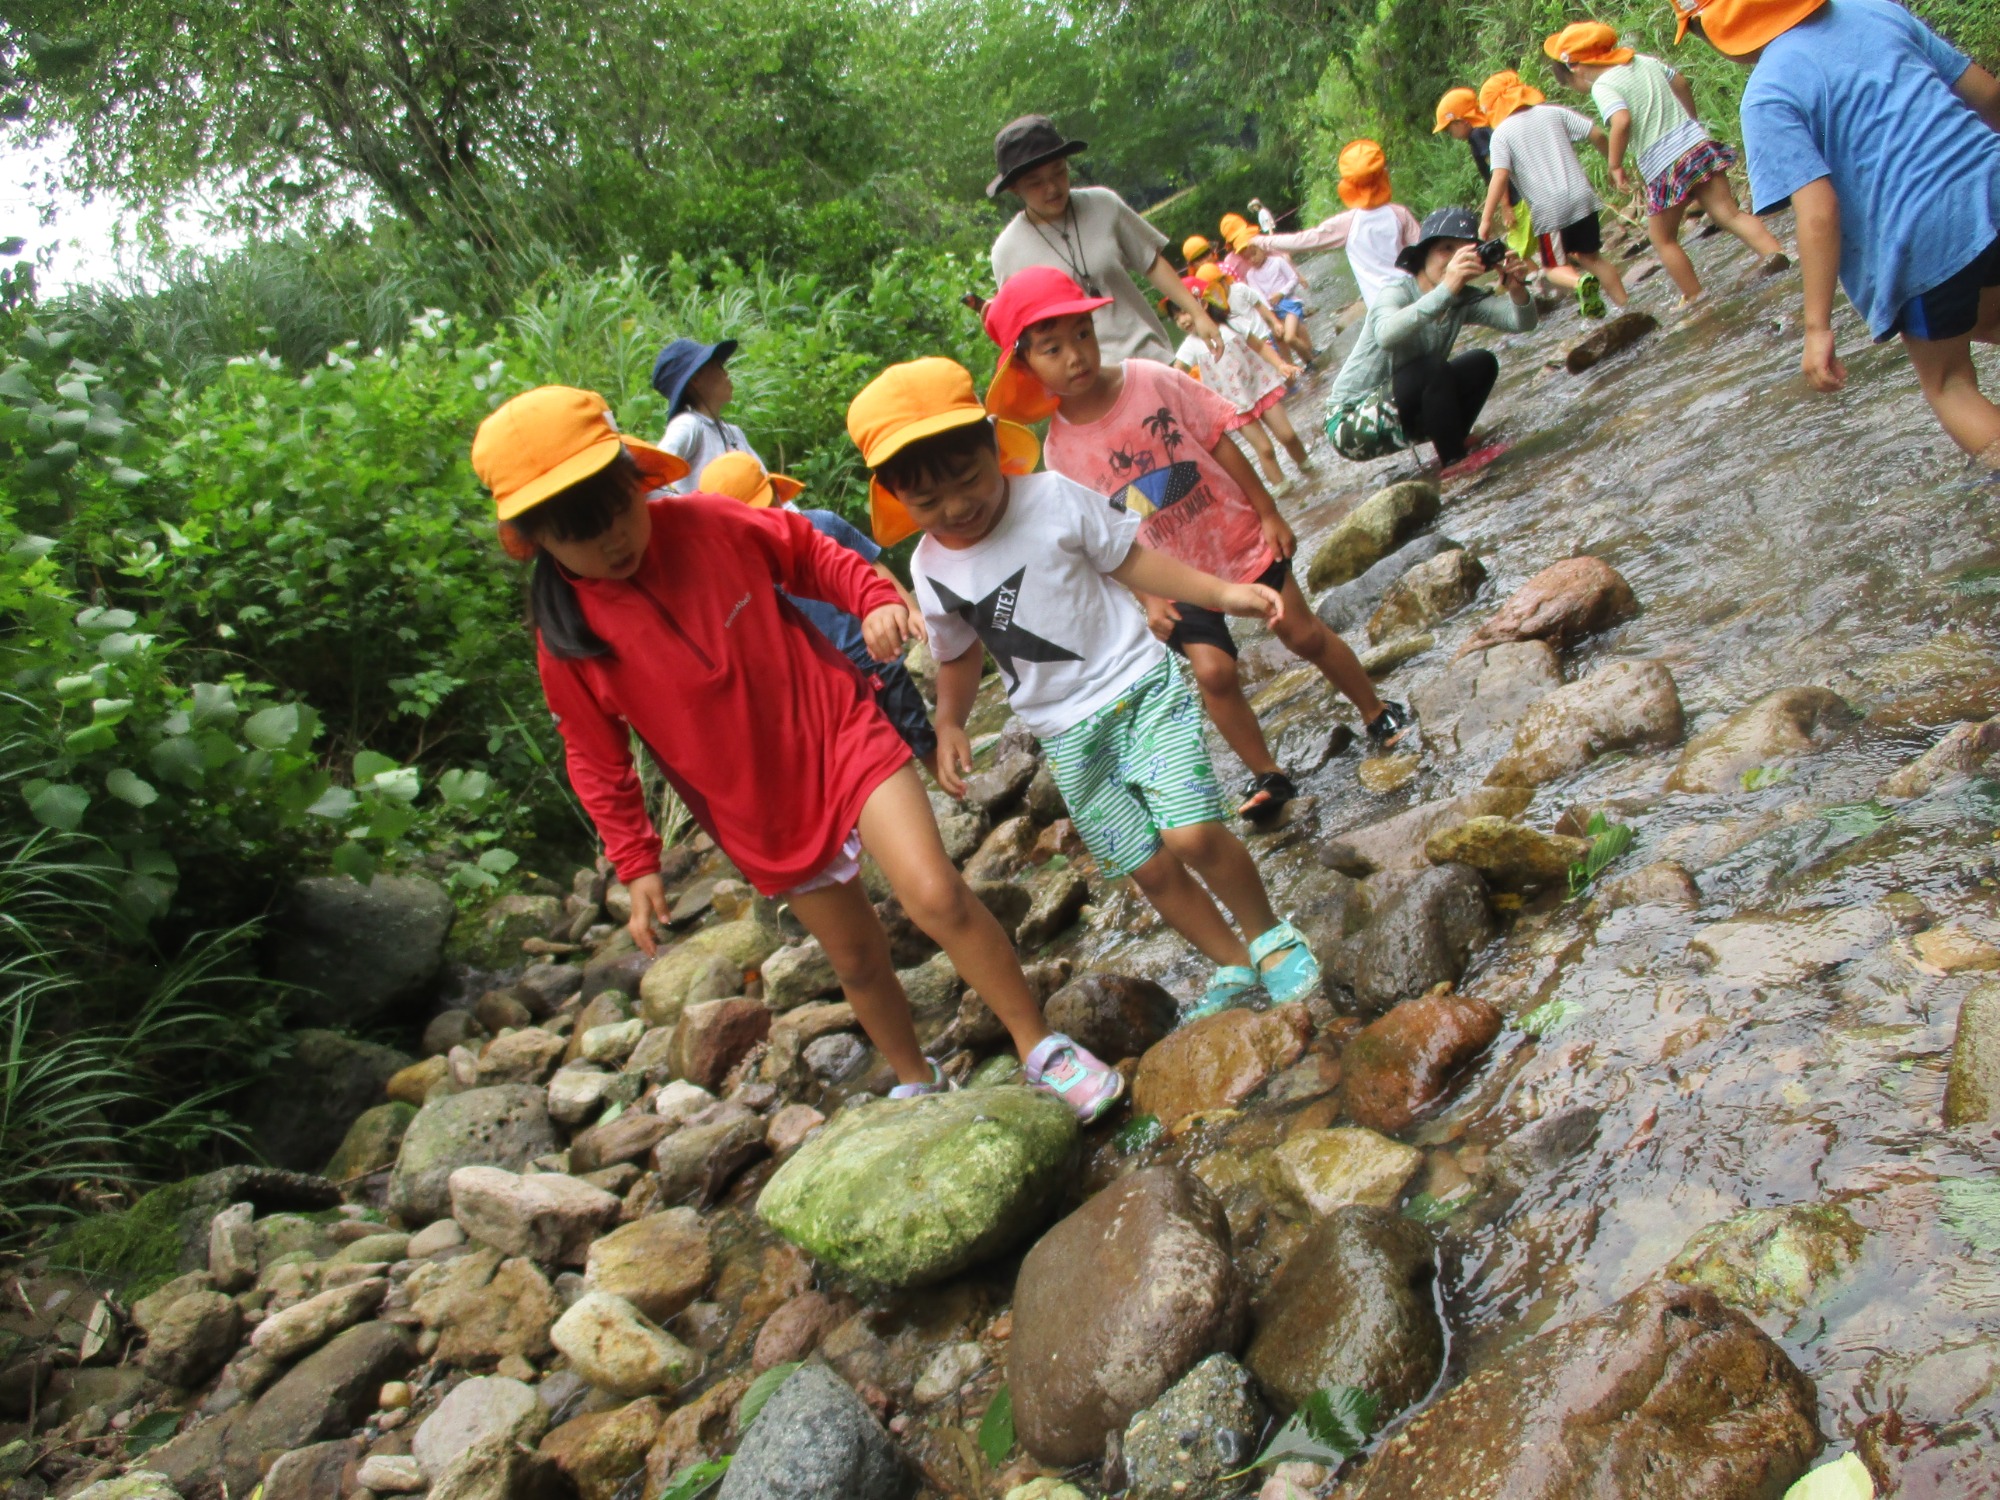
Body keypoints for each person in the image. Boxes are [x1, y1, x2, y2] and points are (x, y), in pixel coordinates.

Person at [475, 384, 1124, 1119]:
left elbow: (812, 554)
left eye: (619, 514)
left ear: (638, 482)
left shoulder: (708, 523)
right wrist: (637, 861)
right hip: (756, 805)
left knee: (935, 893)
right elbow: (596, 757)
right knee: (854, 957)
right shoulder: (568, 641)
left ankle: (1040, 1045)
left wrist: (873, 597)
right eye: (581, 537)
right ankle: (916, 1079)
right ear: (539, 542)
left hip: (838, 729)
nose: (615, 542)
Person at [853, 356, 1324, 1019]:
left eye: (968, 480)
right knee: (1148, 865)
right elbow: (956, 654)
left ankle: (1267, 932)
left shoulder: (1051, 498)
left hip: (1138, 686)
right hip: (1065, 731)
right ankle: (1233, 963)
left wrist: (1221, 593)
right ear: (896, 499)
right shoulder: (929, 568)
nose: (958, 507)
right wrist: (951, 722)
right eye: (928, 501)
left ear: (994, 445)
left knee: (1189, 835)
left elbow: (1133, 558)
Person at [983, 267, 1414, 824]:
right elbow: (1100, 541)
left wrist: (1267, 510)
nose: (1075, 357)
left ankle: (1377, 710)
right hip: (1171, 574)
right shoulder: (1061, 453)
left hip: (1236, 536)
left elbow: (1217, 439)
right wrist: (1148, 599)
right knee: (1213, 672)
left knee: (1302, 632)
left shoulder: (1149, 379)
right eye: (1052, 349)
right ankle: (1268, 774)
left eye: (1082, 335)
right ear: (1026, 364)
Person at [1677, 0, 2000, 466]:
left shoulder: (1767, 95)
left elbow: (1819, 213)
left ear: (1719, 33)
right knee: (1988, 319)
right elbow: (1987, 94)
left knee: (1949, 383)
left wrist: (1816, 327)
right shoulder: (1873, 9)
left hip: (1919, 243)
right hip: (1989, 181)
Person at [697, 451, 940, 778]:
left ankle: (952, 787)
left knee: (916, 730)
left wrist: (908, 609)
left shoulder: (821, 525)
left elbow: (871, 565)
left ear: (777, 495)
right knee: (869, 760)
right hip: (825, 682)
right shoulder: (740, 576)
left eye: (767, 510)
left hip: (873, 651)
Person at [1546, 21, 1787, 304]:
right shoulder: (1644, 61)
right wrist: (1690, 122)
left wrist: (1615, 164)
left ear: (1575, 66)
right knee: (1729, 214)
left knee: (1663, 240)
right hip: (1696, 146)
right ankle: (1779, 256)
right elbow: (1681, 82)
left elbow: (1621, 121)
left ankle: (1695, 297)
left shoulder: (1604, 85)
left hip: (1663, 165)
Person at [988, 114, 1224, 366]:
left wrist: (1198, 313)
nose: (1052, 188)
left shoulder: (1103, 204)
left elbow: (1151, 262)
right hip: (1085, 383)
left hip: (1150, 358)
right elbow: (1024, 334)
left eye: (1059, 172)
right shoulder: (1007, 252)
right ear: (1014, 188)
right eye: (1035, 183)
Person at [1323, 206, 1539, 472]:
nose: (1452, 260)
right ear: (1423, 254)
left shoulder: (1461, 298)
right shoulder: (1395, 293)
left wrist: (1517, 290)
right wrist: (1447, 288)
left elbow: (1522, 322)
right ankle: (1455, 462)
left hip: (1402, 405)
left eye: (1464, 252)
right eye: (1446, 249)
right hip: (1349, 423)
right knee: (1432, 368)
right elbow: (1387, 336)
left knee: (1482, 362)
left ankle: (1454, 440)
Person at [1476, 71, 1632, 316]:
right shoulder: (1553, 112)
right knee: (1593, 258)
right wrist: (1615, 166)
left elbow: (1500, 176)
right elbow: (1598, 134)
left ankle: (1579, 283)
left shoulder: (1502, 135)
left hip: (1550, 211)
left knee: (1551, 268)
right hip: (1582, 197)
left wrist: (1486, 220)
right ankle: (1625, 307)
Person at [1167, 279, 1310, 484]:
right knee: (1265, 450)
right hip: (1234, 405)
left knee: (1288, 436)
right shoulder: (1190, 346)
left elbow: (1259, 347)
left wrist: (1280, 365)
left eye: (1184, 311)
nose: (1181, 320)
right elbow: (1175, 374)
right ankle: (1284, 491)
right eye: (1176, 317)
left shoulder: (1233, 324)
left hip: (1261, 386)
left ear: (1203, 304)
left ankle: (1309, 469)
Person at [1246, 141, 1422, 303]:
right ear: (1384, 177)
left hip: (1381, 304)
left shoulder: (1346, 224)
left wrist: (1260, 240)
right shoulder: (1400, 214)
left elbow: (1302, 241)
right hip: (1412, 292)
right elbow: (1423, 252)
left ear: (1348, 185)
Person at [650, 339, 760, 495]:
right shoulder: (688, 425)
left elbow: (766, 482)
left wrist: (797, 516)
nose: (726, 373)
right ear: (695, 379)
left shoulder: (734, 433)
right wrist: (687, 508)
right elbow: (650, 478)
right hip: (715, 519)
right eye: (718, 366)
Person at [1221, 225, 1317, 364]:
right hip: (1272, 308)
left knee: (1291, 335)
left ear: (1262, 248)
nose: (1252, 260)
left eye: (1253, 254)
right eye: (1247, 258)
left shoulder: (1275, 259)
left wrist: (1282, 292)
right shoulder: (1247, 271)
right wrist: (1270, 315)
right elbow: (1257, 296)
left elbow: (1291, 277)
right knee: (1283, 337)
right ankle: (1303, 363)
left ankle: (1309, 356)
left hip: (1289, 304)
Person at [1191, 262, 1302, 372]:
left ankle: (1293, 383)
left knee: (1278, 366)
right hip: (1247, 345)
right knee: (1269, 372)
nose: (1217, 293)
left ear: (1224, 280)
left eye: (1218, 286)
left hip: (1263, 336)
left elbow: (1260, 306)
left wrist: (1275, 322)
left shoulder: (1240, 289)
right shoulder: (1215, 308)